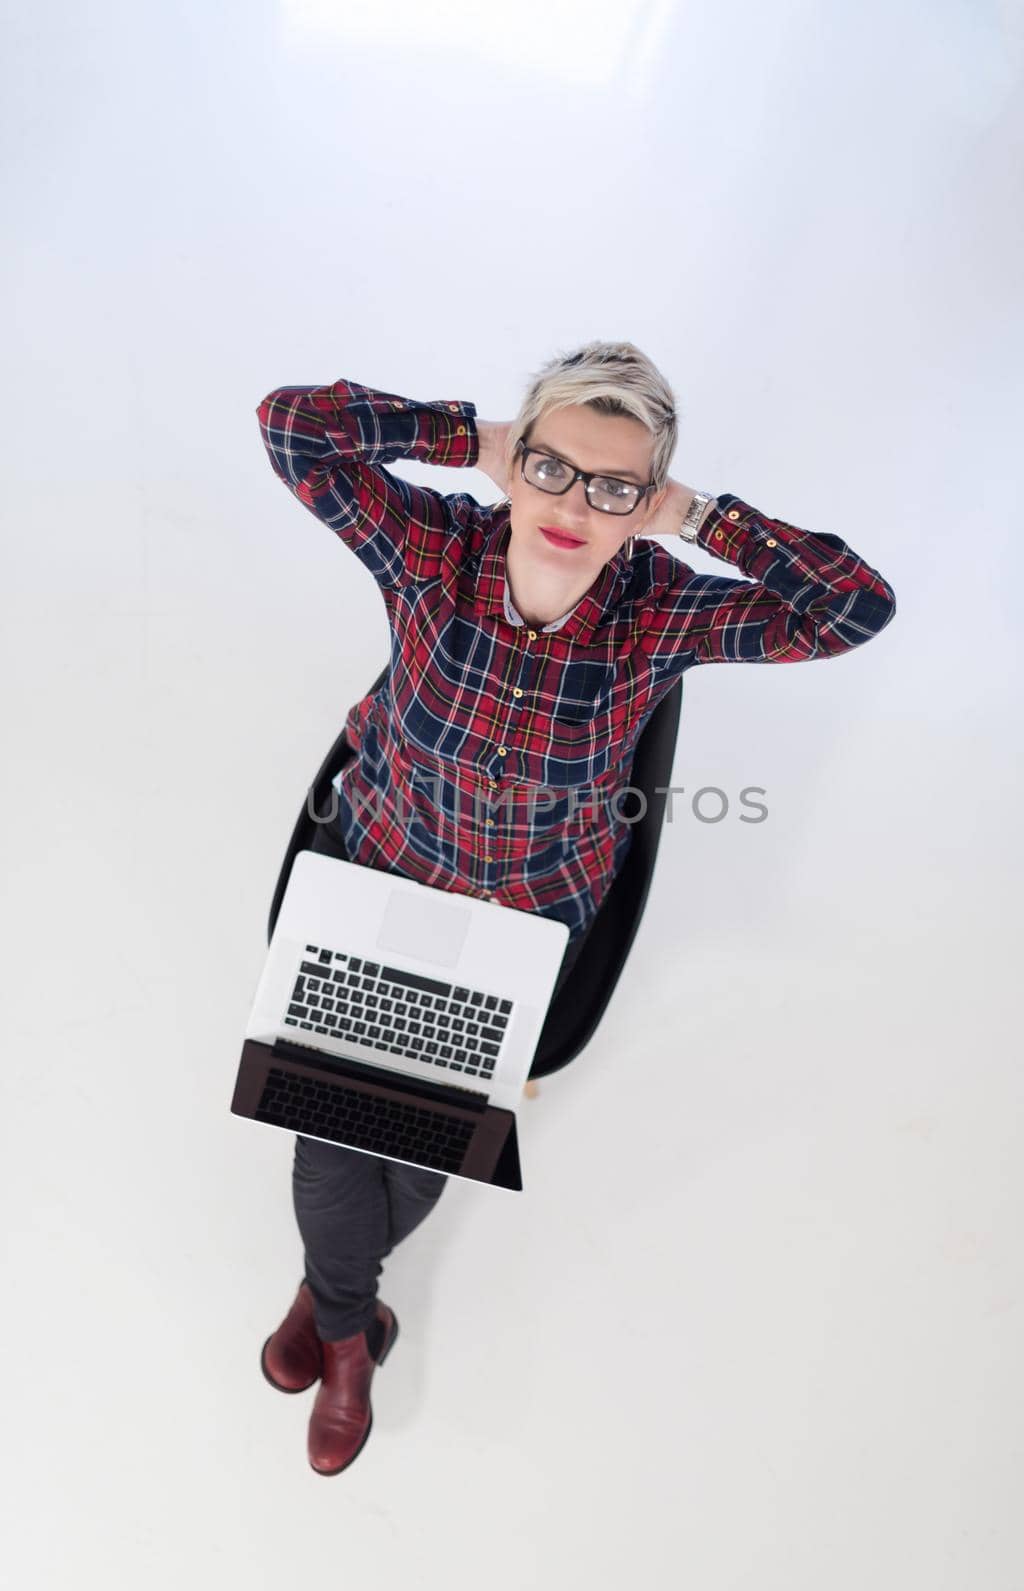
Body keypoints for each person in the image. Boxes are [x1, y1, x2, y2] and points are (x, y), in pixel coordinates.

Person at [253, 339, 898, 1474]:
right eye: (553, 468)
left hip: (519, 932)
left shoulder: (660, 613)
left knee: (418, 1153)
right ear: (519, 458)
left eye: (615, 486)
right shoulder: (432, 548)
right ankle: (352, 1335)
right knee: (332, 1142)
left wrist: (698, 516)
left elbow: (854, 609)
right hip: (383, 879)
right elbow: (292, 424)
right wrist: (469, 442)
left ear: (644, 501)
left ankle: (331, 1297)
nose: (574, 506)